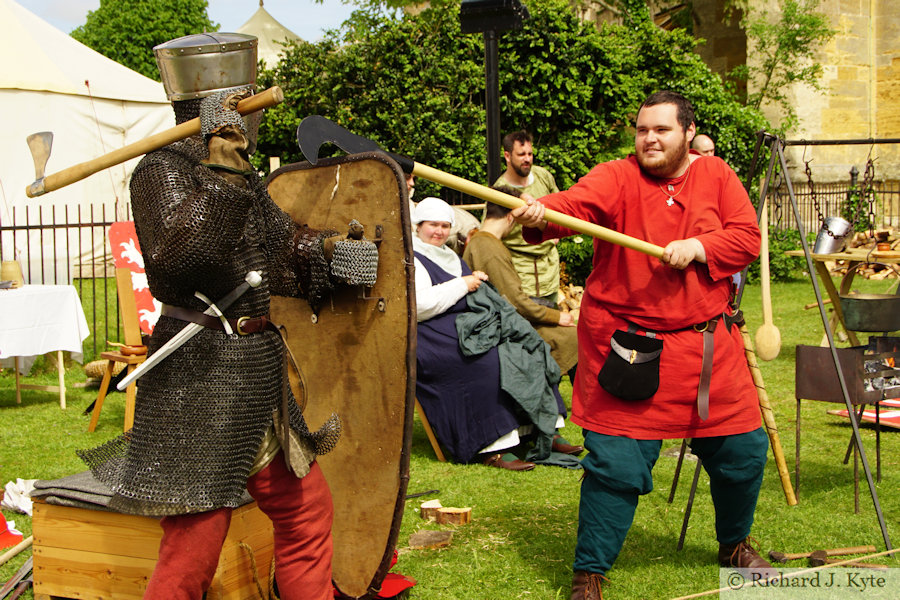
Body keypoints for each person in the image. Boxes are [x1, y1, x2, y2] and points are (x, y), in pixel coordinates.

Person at [77, 33, 378, 600]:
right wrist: (219, 174)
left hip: (255, 372)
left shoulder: (241, 172)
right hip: (199, 371)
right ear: (214, 107)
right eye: (243, 98)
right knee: (195, 540)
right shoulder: (160, 170)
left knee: (307, 511)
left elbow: (280, 252)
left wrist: (341, 257)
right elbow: (175, 265)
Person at [512, 91, 771, 599]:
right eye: (642, 130)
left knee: (743, 450)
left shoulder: (717, 177)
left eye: (662, 130)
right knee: (616, 463)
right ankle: (589, 573)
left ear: (688, 132)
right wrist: (542, 212)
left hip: (707, 350)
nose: (649, 139)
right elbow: (574, 205)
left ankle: (734, 545)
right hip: (629, 348)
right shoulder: (617, 175)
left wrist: (700, 246)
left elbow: (747, 237)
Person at [413, 197, 582, 472]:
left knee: (524, 347)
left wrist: (474, 282)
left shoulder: (449, 255)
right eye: (433, 225)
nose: (439, 231)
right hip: (431, 336)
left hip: (468, 326)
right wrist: (463, 284)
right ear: (418, 225)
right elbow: (418, 306)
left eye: (445, 226)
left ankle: (544, 431)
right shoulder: (410, 258)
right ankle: (495, 445)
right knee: (488, 362)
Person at [462, 188, 579, 387]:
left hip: (503, 321)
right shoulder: (488, 247)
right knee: (572, 338)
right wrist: (557, 316)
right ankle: (557, 402)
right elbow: (514, 301)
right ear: (511, 217)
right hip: (504, 329)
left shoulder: (483, 242)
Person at [493, 130, 562, 306]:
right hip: (520, 273)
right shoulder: (500, 190)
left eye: (530, 154)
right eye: (521, 154)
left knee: (553, 327)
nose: (527, 159)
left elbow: (561, 206)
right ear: (507, 156)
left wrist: (556, 234)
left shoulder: (543, 176)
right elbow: (491, 232)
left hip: (549, 269)